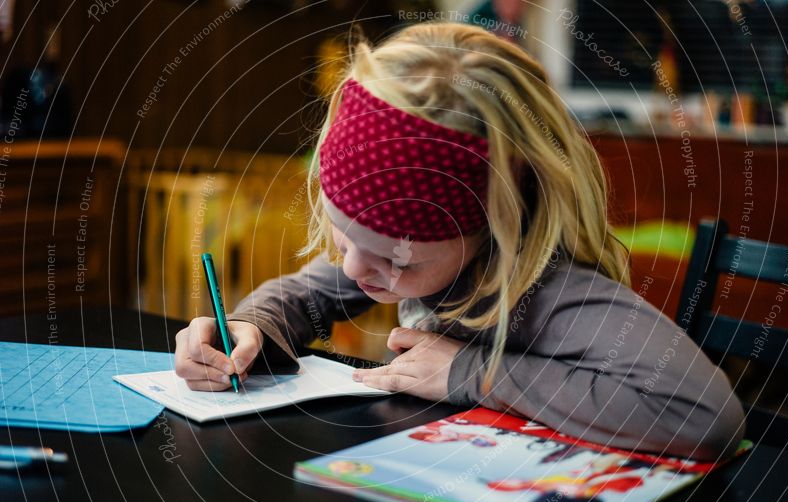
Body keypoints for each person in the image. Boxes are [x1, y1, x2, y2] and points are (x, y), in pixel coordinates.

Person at [174, 21, 745, 462]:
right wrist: (251, 328)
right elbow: (306, 295)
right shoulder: (400, 255)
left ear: (491, 225)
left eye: (396, 257)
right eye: (343, 234)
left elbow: (705, 416)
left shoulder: (552, 293)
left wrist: (471, 374)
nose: (351, 270)